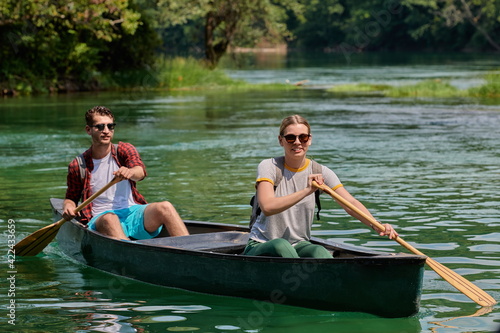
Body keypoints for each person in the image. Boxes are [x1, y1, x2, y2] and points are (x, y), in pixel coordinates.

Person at [243, 114, 398, 258]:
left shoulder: (320, 171)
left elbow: (350, 203)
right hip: (261, 244)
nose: (297, 142)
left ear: (309, 140)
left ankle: (332, 281)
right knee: (281, 245)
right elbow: (268, 207)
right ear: (281, 140)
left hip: (299, 245)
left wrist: (376, 225)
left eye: (303, 137)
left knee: (318, 251)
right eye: (291, 138)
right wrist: (307, 190)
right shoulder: (269, 166)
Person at [63, 106, 189, 240]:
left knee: (165, 207)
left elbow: (140, 172)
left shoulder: (124, 149)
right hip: (101, 218)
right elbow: (71, 198)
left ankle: (189, 249)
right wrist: (68, 207)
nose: (106, 131)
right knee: (110, 219)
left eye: (110, 126)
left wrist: (130, 172)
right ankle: (131, 253)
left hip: (132, 212)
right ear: (89, 130)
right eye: (100, 127)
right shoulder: (78, 165)